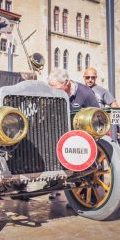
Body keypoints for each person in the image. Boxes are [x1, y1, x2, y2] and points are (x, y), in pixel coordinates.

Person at [47, 69, 98, 200]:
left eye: (58, 88)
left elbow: (97, 116)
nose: (55, 92)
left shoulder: (86, 93)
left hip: (82, 138)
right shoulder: (54, 93)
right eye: (52, 88)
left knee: (88, 167)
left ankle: (89, 196)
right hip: (60, 135)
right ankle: (54, 185)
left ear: (67, 83)